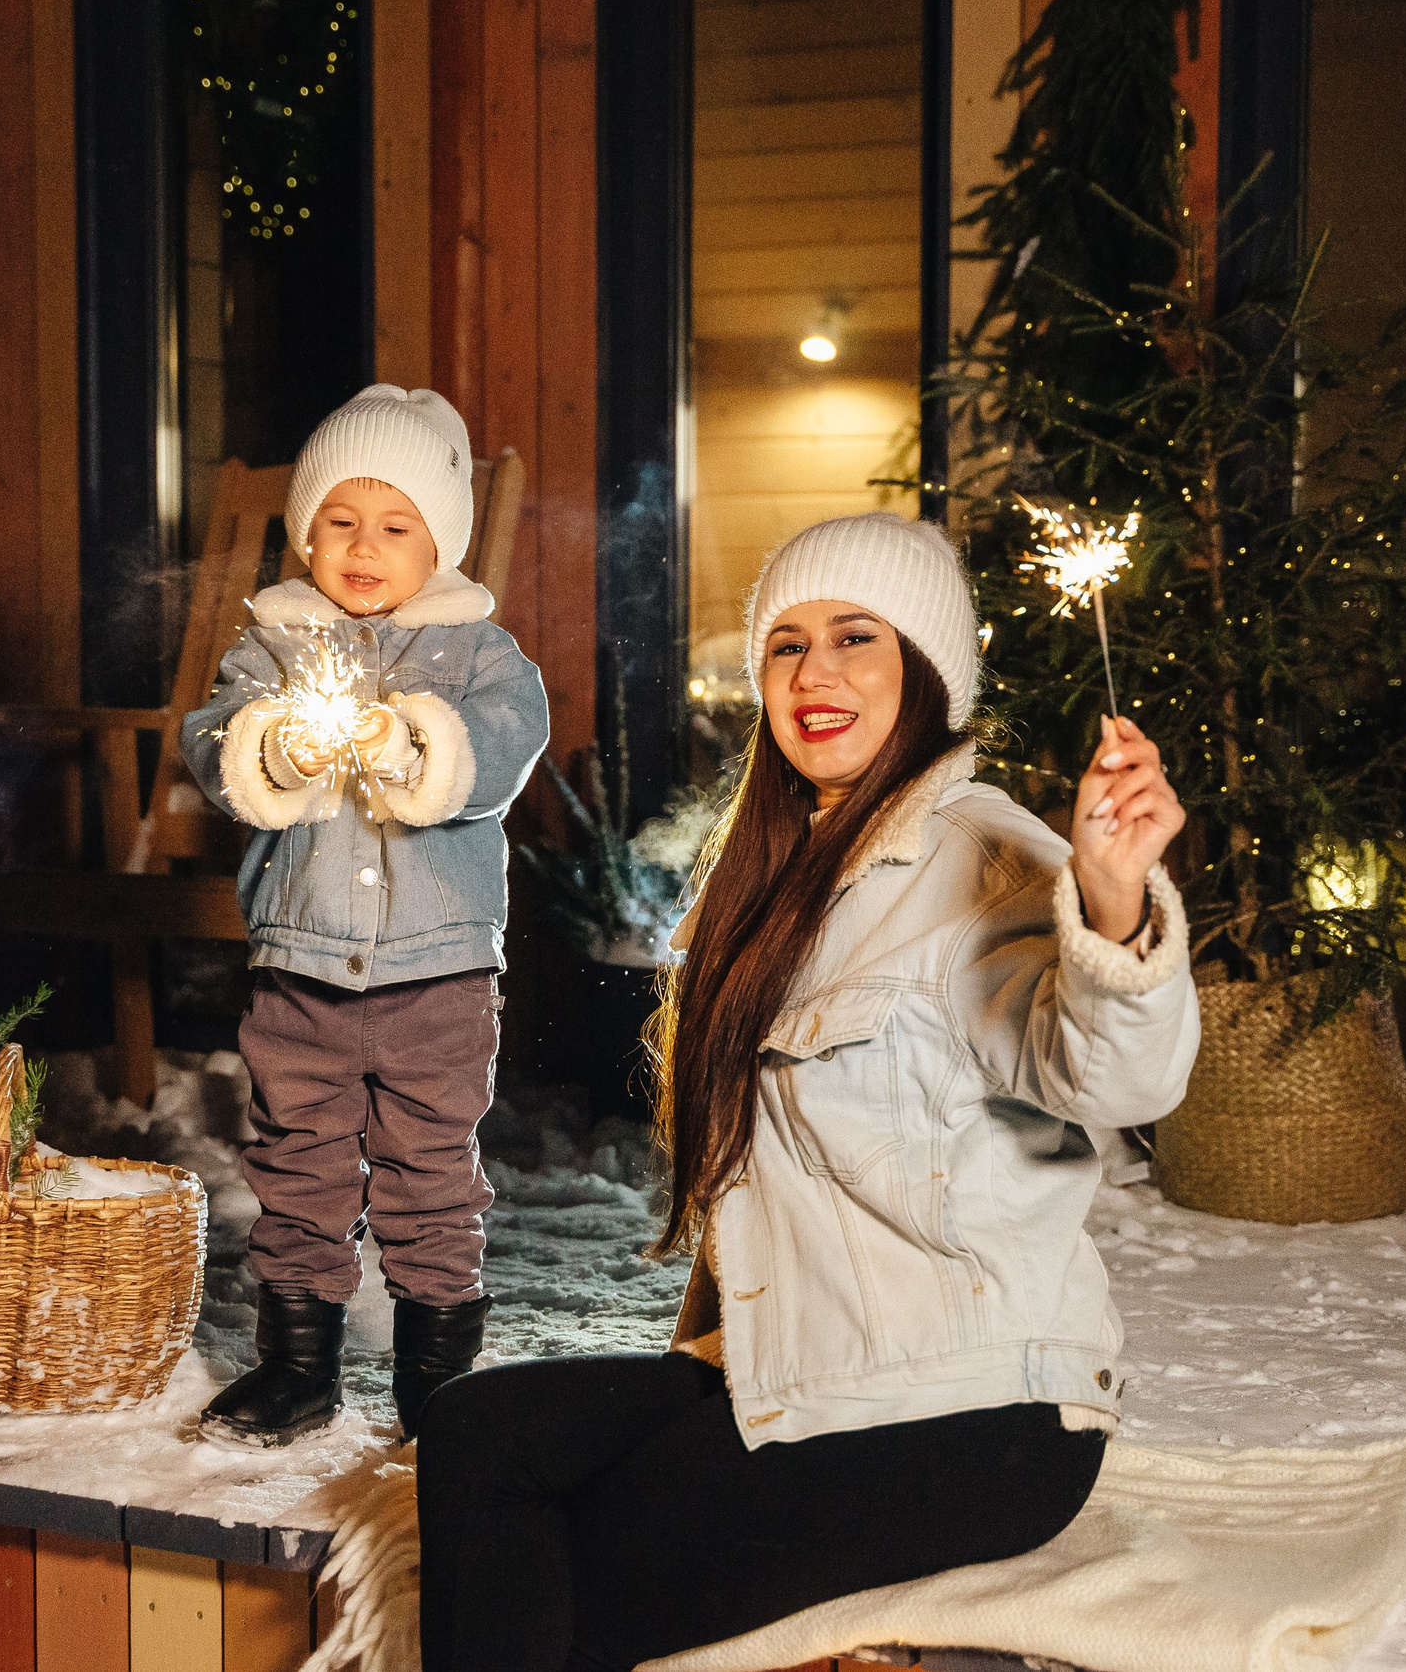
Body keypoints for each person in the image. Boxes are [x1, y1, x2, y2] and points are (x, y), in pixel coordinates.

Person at [414, 512, 1198, 1671]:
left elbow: (1118, 1069)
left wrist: (1117, 904)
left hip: (975, 1409)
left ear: (925, 669)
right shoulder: (788, 863)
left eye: (854, 639)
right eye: (785, 644)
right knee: (477, 1429)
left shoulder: (984, 852)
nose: (813, 674)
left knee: (577, 1562)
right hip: (813, 1366)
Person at [180, 385, 550, 1448]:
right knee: (298, 1158)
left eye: (394, 526)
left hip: (436, 972)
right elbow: (213, 741)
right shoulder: (273, 649)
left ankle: (436, 1372)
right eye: (338, 520)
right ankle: (296, 1363)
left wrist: (418, 746)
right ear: (304, 533)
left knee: (430, 1166)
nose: (362, 546)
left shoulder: (483, 658)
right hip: (299, 966)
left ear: (440, 542)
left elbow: (503, 749)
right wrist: (271, 748)